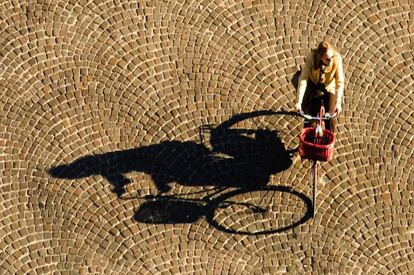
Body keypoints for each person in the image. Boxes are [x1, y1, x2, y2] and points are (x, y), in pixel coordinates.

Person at [295, 41, 345, 132]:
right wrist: (298, 102)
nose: (331, 60)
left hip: (330, 85)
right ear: (321, 58)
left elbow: (339, 82)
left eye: (332, 57)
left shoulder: (337, 59)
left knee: (331, 114)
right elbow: (303, 79)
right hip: (313, 83)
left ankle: (331, 138)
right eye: (327, 59)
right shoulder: (311, 58)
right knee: (308, 111)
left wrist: (338, 103)